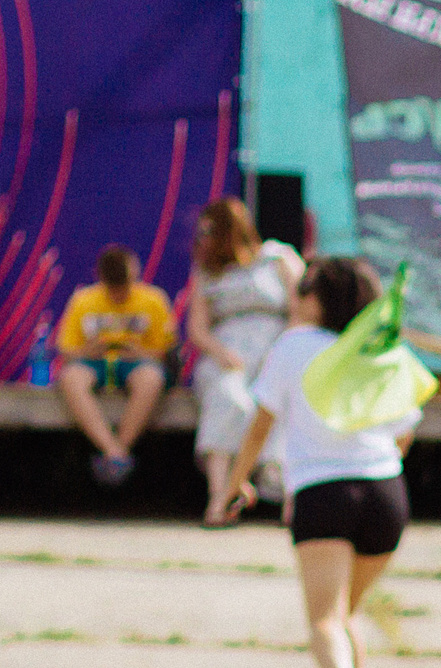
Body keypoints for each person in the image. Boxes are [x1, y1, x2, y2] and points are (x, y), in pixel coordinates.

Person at [222, 258, 420, 668]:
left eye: (302, 290)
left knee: (323, 620)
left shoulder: (294, 345)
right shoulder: (380, 348)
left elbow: (260, 424)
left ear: (317, 298)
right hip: (386, 492)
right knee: (347, 613)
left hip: (324, 493)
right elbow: (405, 428)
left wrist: (235, 481)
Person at [185, 198, 302, 525]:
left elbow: (300, 311)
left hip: (275, 349)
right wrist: (223, 354)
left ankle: (277, 489)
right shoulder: (207, 272)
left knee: (277, 401)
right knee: (229, 398)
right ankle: (220, 495)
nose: (203, 238)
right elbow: (197, 329)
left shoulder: (278, 258)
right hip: (226, 354)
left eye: (210, 231)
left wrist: (279, 354)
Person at [54, 245, 175, 487]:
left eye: (125, 288)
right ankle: (114, 452)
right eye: (114, 290)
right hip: (94, 363)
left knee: (151, 378)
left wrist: (139, 352)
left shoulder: (153, 299)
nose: (119, 295)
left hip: (139, 364)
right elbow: (65, 351)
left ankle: (118, 449)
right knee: (71, 378)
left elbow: (168, 353)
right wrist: (89, 351)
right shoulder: (83, 300)